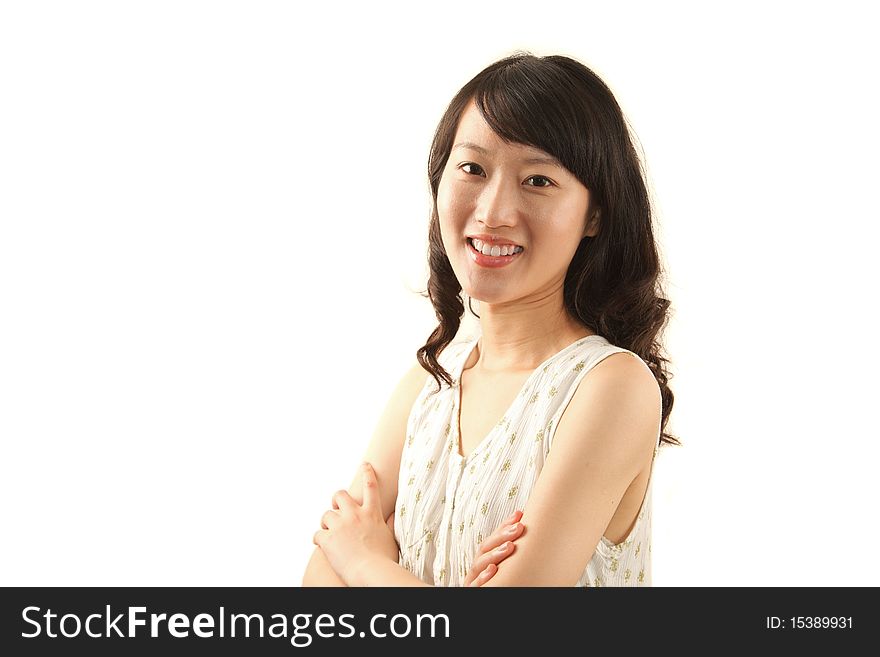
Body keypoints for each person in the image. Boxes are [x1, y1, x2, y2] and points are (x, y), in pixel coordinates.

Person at [302, 51, 678, 587]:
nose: (494, 211)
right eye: (472, 169)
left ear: (596, 213)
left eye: (538, 180)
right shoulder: (430, 385)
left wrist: (364, 561)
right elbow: (317, 585)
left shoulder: (610, 387)